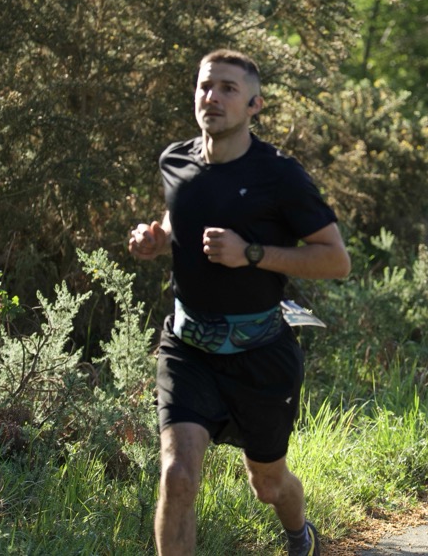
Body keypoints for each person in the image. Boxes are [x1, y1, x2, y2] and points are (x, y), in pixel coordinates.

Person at [128, 50, 350, 556]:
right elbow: (179, 214)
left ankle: (300, 536)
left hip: (261, 353)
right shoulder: (175, 160)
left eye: (229, 88)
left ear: (255, 104)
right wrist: (157, 239)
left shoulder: (280, 176)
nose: (213, 97)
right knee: (177, 475)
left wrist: (250, 253)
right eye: (206, 86)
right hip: (189, 347)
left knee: (267, 484)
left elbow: (336, 260)